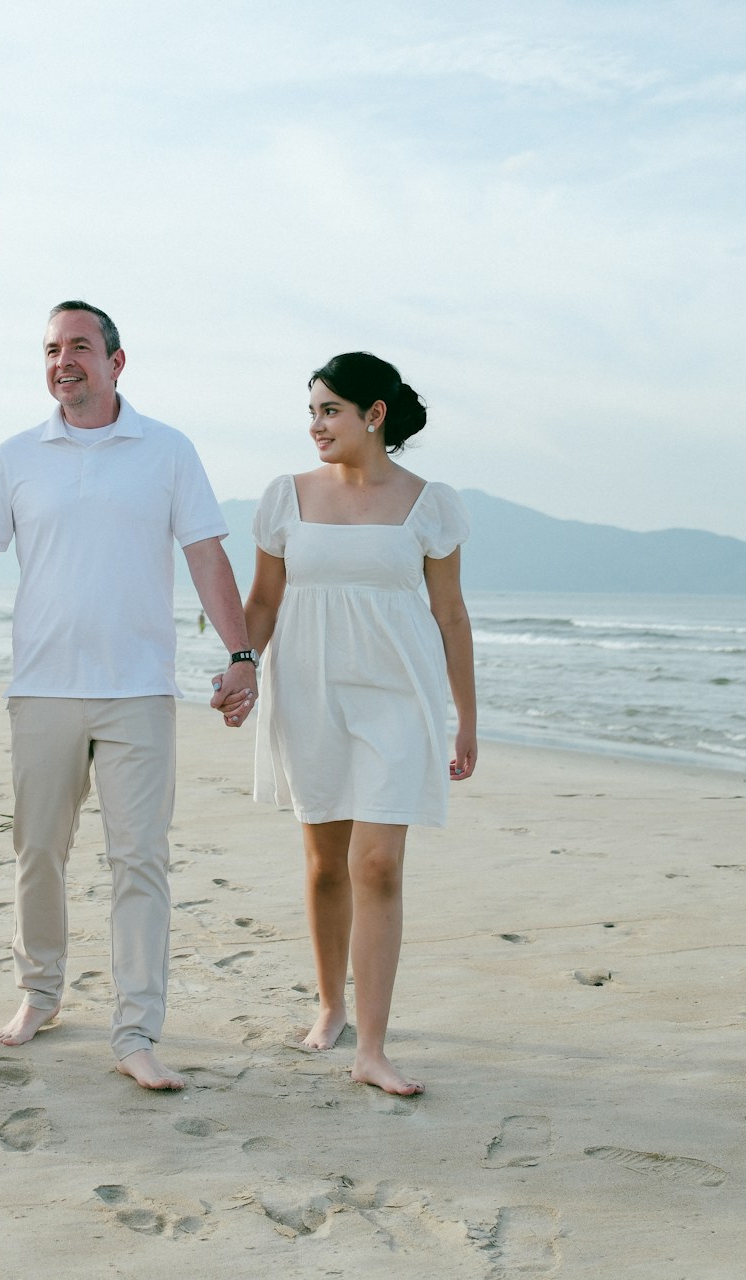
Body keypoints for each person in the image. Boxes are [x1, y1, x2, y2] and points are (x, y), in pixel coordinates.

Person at [0, 301, 257, 1091]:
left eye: (82, 347)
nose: (65, 361)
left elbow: (207, 556)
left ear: (116, 362)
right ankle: (39, 994)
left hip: (138, 692)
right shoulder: (19, 455)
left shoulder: (167, 450)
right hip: (44, 690)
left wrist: (241, 655)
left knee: (140, 862)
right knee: (39, 854)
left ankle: (135, 1032)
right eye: (53, 349)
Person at [241, 352, 476, 1097]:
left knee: (377, 864)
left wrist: (467, 716)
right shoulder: (286, 496)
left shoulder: (430, 503)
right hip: (308, 690)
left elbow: (450, 613)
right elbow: (264, 602)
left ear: (373, 415)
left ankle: (371, 1046)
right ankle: (331, 1005)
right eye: (311, 411)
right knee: (324, 861)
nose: (316, 426)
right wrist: (239, 664)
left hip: (397, 695)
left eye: (330, 411)